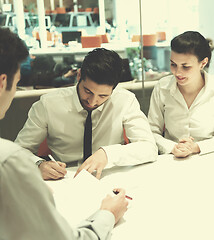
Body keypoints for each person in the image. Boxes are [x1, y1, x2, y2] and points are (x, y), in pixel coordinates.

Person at [0, 27, 128, 240]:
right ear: (3, 82)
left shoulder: (125, 100)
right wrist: (108, 214)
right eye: (17, 82)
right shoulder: (9, 160)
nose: (93, 101)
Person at [15, 48, 158, 180]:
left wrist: (108, 154)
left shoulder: (125, 100)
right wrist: (38, 164)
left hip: (110, 175)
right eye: (88, 91)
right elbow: (19, 151)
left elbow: (149, 147)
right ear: (79, 76)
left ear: (114, 89)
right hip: (65, 178)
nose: (93, 101)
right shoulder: (48, 104)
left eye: (103, 96)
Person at [148, 31, 214, 158]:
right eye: (173, 64)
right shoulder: (162, 88)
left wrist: (197, 147)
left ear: (203, 63)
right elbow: (151, 131)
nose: (177, 72)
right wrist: (172, 147)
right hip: (171, 159)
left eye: (186, 67)